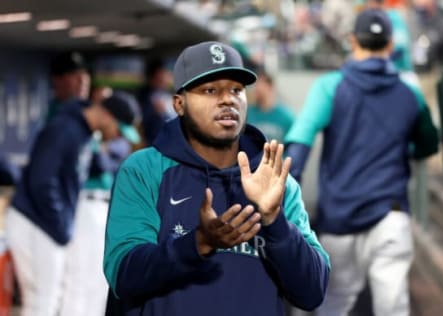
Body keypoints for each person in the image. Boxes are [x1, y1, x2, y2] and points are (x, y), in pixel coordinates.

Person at [103, 41, 330, 316]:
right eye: (210, 90)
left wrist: (275, 221)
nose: (227, 99)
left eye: (236, 90)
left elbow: (312, 292)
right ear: (179, 104)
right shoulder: (145, 169)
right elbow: (124, 274)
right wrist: (199, 242)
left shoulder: (274, 182)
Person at [285, 9, 438, 316]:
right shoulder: (410, 93)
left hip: (340, 217)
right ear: (390, 44)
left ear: (353, 40)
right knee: (392, 309)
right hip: (391, 214)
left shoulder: (330, 86)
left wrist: (284, 207)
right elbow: (427, 145)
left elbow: (298, 147)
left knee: (332, 305)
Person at [5, 92, 141, 316]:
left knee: (47, 298)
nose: (118, 136)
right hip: (34, 221)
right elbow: (42, 181)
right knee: (42, 300)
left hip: (44, 224)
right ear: (107, 115)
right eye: (119, 128)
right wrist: (60, 227)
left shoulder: (83, 132)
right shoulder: (64, 128)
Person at [136, 59, 176, 145]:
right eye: (164, 73)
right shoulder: (145, 97)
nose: (168, 76)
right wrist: (155, 111)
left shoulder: (168, 94)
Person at [247, 70, 295, 142]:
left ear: (270, 87)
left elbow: (292, 145)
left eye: (259, 85)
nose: (255, 89)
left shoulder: (286, 117)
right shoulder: (248, 113)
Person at [47, 51, 91, 120]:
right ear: (57, 80)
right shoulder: (56, 115)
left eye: (84, 73)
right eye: (74, 74)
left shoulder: (90, 109)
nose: (82, 80)